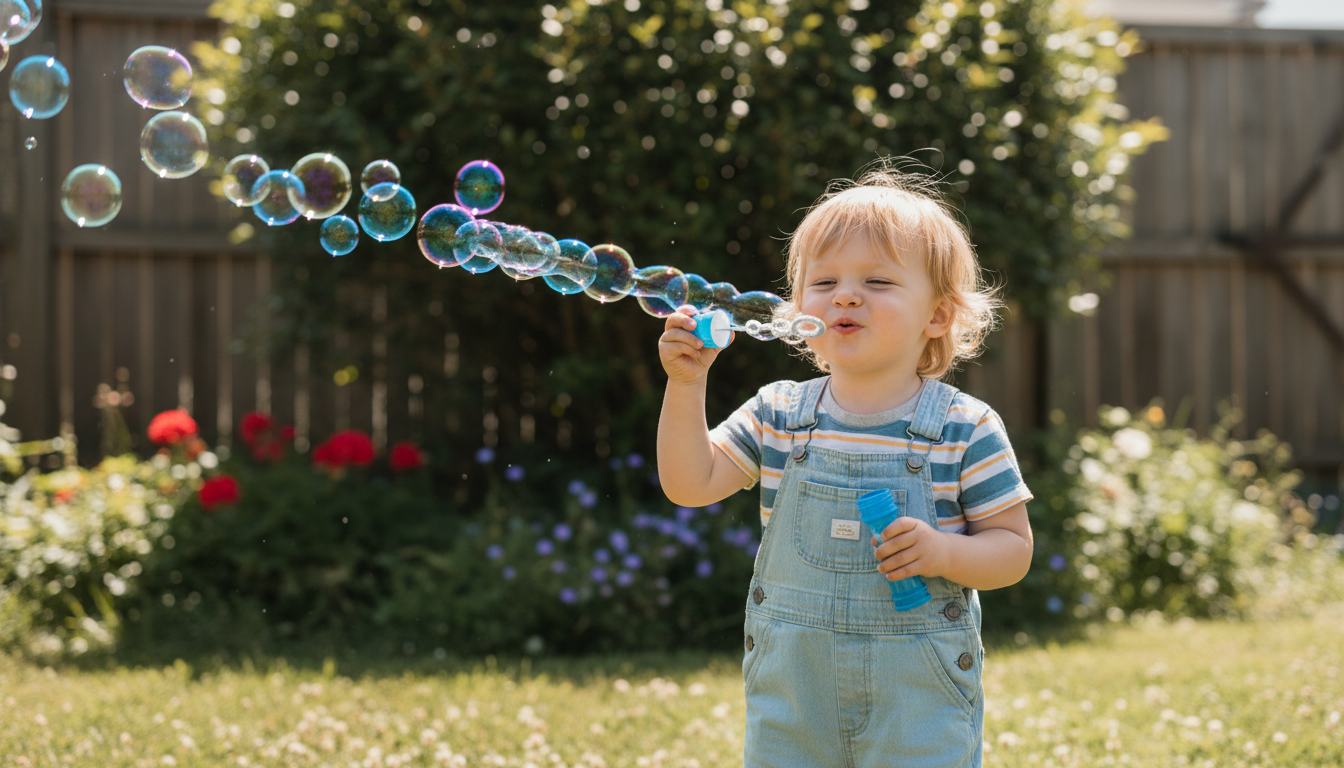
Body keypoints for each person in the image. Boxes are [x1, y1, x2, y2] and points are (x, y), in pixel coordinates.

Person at [656, 167, 1034, 767]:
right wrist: (686, 385)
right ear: (797, 308)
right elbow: (689, 483)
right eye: (824, 280)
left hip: (917, 701)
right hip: (795, 698)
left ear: (937, 316)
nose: (846, 295)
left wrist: (943, 554)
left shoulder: (965, 427)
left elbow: (1012, 550)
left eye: (877, 281)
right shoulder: (779, 413)